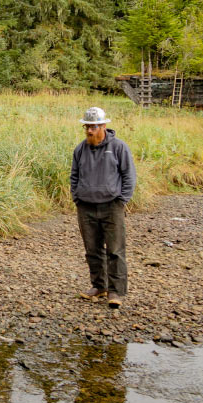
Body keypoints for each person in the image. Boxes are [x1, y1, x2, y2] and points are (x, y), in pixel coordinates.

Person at [70, 106, 136, 309]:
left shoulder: (118, 147)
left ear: (103, 126)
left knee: (115, 250)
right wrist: (77, 197)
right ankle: (99, 286)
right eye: (87, 127)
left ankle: (116, 291)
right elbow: (74, 176)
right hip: (86, 206)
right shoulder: (80, 149)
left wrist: (122, 200)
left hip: (111, 206)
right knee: (92, 249)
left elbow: (129, 176)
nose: (90, 131)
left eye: (94, 126)